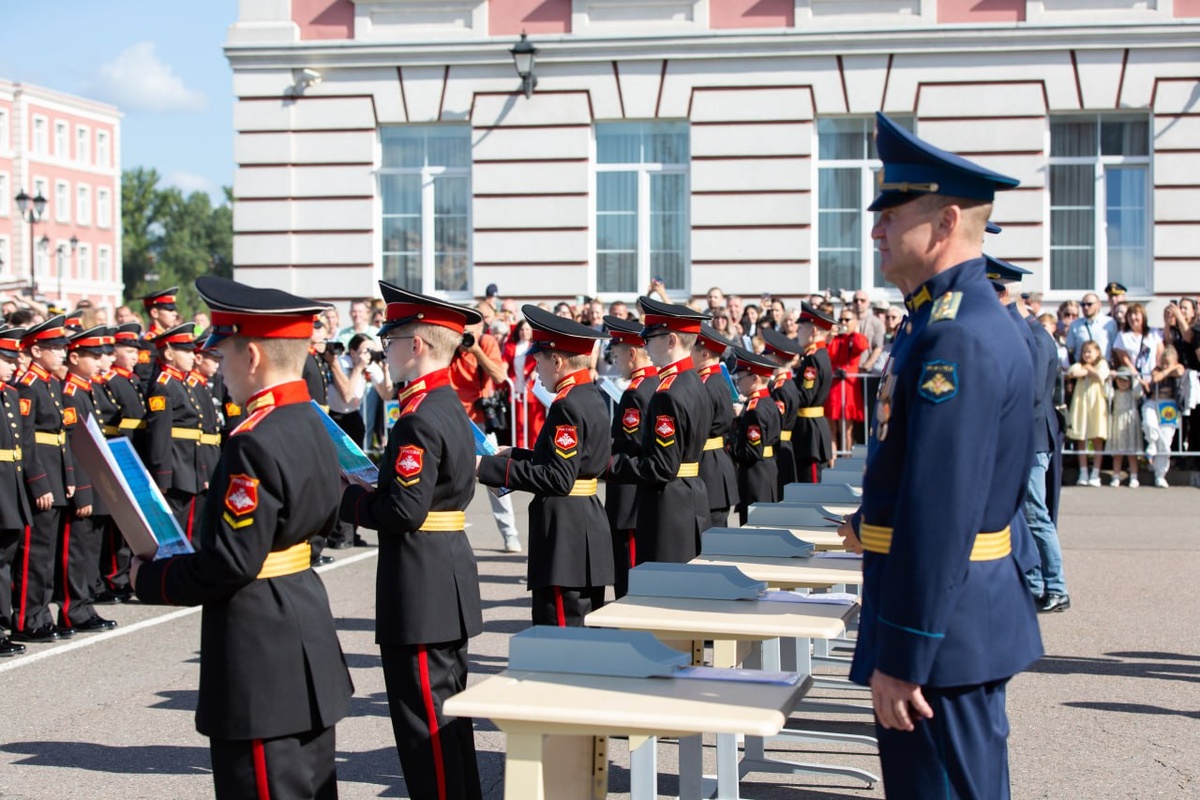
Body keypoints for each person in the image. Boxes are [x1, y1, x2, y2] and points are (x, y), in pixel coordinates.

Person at [838, 111, 1041, 799]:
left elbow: (941, 508)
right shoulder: (941, 321)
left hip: (941, 634)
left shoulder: (956, 335)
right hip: (948, 623)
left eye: (893, 214)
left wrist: (904, 651)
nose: (877, 230)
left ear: (946, 222)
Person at [132, 276, 353, 799]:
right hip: (303, 620)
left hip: (260, 651)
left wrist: (151, 578)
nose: (219, 368)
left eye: (223, 354)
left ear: (251, 356)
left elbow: (230, 563)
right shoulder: (311, 421)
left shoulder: (253, 440)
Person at [338, 283, 483, 800]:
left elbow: (404, 511)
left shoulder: (418, 417)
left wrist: (348, 500)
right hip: (445, 573)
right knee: (447, 716)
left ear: (415, 345)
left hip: (421, 582)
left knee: (425, 722)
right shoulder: (447, 404)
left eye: (391, 341)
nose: (386, 351)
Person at [478, 306, 613, 627]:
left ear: (557, 361)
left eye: (538, 360)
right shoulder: (588, 394)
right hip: (583, 520)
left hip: (565, 530)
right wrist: (516, 454)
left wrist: (486, 468)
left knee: (561, 633)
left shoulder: (567, 405)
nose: (535, 369)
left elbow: (558, 478)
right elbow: (571, 462)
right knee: (580, 628)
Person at [990, 257, 1070, 614]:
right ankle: (1037, 584)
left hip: (1032, 439)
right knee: (1026, 515)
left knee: (1036, 515)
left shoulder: (1034, 337)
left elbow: (1033, 395)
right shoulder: (1029, 332)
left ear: (1003, 293)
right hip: (1029, 438)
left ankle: (1057, 587)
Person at [606, 297, 712, 564]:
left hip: (669, 507)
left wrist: (608, 464)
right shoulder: (694, 382)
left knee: (664, 585)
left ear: (671, 340)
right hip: (691, 496)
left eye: (650, 338)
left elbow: (662, 466)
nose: (645, 345)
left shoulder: (668, 393)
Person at [12, 316, 77, 643]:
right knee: (34, 553)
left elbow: (61, 437)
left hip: (56, 475)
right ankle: (27, 617)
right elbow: (25, 441)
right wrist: (39, 482)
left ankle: (42, 614)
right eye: (54, 348)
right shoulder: (29, 385)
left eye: (62, 347)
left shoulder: (50, 384)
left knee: (47, 552)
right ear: (36, 351)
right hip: (40, 478)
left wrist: (68, 476)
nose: (62, 353)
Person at [58, 326, 120, 634]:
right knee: (78, 549)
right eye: (93, 357)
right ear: (74, 358)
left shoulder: (86, 390)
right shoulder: (70, 393)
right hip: (83, 482)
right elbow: (74, 445)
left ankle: (84, 605)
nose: (100, 362)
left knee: (90, 548)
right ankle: (74, 609)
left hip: (94, 480)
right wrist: (82, 490)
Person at [449, 312, 522, 553]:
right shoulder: (450, 343)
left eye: (472, 330)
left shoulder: (486, 342)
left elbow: (499, 376)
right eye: (464, 330)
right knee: (448, 477)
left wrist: (476, 350)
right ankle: (446, 534)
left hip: (479, 422)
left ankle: (510, 534)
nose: (467, 335)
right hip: (452, 419)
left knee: (495, 476)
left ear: (482, 329)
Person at [602, 315, 658, 598]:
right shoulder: (655, 383)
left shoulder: (636, 393)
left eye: (617, 355)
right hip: (642, 493)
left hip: (629, 494)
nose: (616, 362)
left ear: (632, 354)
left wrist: (600, 446)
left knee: (629, 574)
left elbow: (632, 445)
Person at [93, 322, 146, 603]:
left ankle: (122, 574)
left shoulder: (131, 380)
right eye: (129, 351)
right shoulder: (111, 381)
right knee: (116, 522)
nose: (134, 356)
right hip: (117, 450)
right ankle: (114, 576)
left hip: (132, 449)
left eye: (136, 351)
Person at [144, 323, 206, 543]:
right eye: (186, 351)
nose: (193, 356)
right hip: (176, 469)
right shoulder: (163, 385)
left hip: (189, 466)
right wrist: (162, 475)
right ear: (169, 354)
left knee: (191, 530)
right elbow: (159, 434)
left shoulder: (182, 383)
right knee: (175, 532)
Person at [0, 326, 32, 656]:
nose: (14, 365)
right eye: (7, 359)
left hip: (10, 485)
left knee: (5, 556)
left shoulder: (10, 394)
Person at [692, 323, 739, 528]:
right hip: (713, 462)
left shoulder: (708, 384)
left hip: (710, 467)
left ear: (704, 354)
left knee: (711, 534)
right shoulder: (713, 380)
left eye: (691, 350)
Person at [730, 346, 780, 525]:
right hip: (767, 470)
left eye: (740, 378)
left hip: (755, 477)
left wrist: (731, 449)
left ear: (755, 378)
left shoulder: (755, 411)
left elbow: (751, 452)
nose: (738, 383)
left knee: (754, 527)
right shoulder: (767, 402)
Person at [792, 304, 836, 483]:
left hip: (810, 433)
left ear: (814, 331)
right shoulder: (816, 355)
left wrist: (783, 389)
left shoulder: (813, 359)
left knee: (812, 486)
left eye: (801, 328)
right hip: (809, 429)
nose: (798, 332)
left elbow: (805, 396)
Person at [759, 326, 802, 493]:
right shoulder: (785, 384)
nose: (764, 359)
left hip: (779, 448)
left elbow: (775, 422)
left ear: (776, 361)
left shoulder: (781, 389)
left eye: (767, 356)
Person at [1066, 340, 1110, 487]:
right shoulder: (1079, 364)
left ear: (1097, 352)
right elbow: (1072, 372)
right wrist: (1087, 371)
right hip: (1081, 403)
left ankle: (1095, 473)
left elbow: (1101, 375)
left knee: (1097, 438)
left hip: (1096, 404)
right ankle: (1083, 472)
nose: (1086, 354)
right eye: (1084, 351)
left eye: (1089, 351)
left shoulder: (1102, 364)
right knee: (1081, 438)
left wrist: (1088, 370)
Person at [1142, 344, 1185, 488]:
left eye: (1168, 362)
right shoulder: (1157, 369)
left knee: (1165, 442)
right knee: (1149, 423)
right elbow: (1156, 378)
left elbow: (1179, 372)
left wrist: (1172, 368)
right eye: (1163, 362)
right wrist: (1166, 370)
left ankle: (1160, 475)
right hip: (1154, 402)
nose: (1165, 365)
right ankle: (1151, 443)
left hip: (1169, 406)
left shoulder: (1178, 367)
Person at [825, 310, 869, 452]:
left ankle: (847, 458)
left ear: (855, 321)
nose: (843, 323)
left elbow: (861, 346)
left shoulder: (855, 338)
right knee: (831, 429)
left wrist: (854, 331)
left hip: (848, 388)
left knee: (847, 429)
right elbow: (826, 354)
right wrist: (829, 337)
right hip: (833, 387)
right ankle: (832, 459)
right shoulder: (834, 339)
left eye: (847, 320)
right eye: (841, 319)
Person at [502, 319, 546, 450]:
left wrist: (535, 371)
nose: (524, 332)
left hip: (532, 389)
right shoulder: (512, 346)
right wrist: (503, 371)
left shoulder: (536, 345)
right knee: (519, 423)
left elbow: (541, 361)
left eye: (527, 329)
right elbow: (505, 361)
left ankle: (536, 450)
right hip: (517, 390)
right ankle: (519, 450)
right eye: (521, 329)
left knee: (535, 424)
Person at [1108, 366, 1143, 488]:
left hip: (1130, 422)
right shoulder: (1115, 392)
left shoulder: (1132, 393)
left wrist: (1136, 378)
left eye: (1126, 380)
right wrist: (1110, 379)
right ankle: (1116, 476)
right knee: (1118, 452)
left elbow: (1139, 392)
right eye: (1120, 380)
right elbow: (1107, 393)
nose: (1123, 383)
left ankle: (1134, 477)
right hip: (1118, 421)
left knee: (1132, 452)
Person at [1065, 292, 1112, 363]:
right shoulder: (1075, 325)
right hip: (1082, 366)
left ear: (1099, 304)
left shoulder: (1110, 323)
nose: (1086, 307)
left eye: (1089, 304)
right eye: (1083, 305)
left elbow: (1115, 349)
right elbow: (1070, 349)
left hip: (1103, 366)